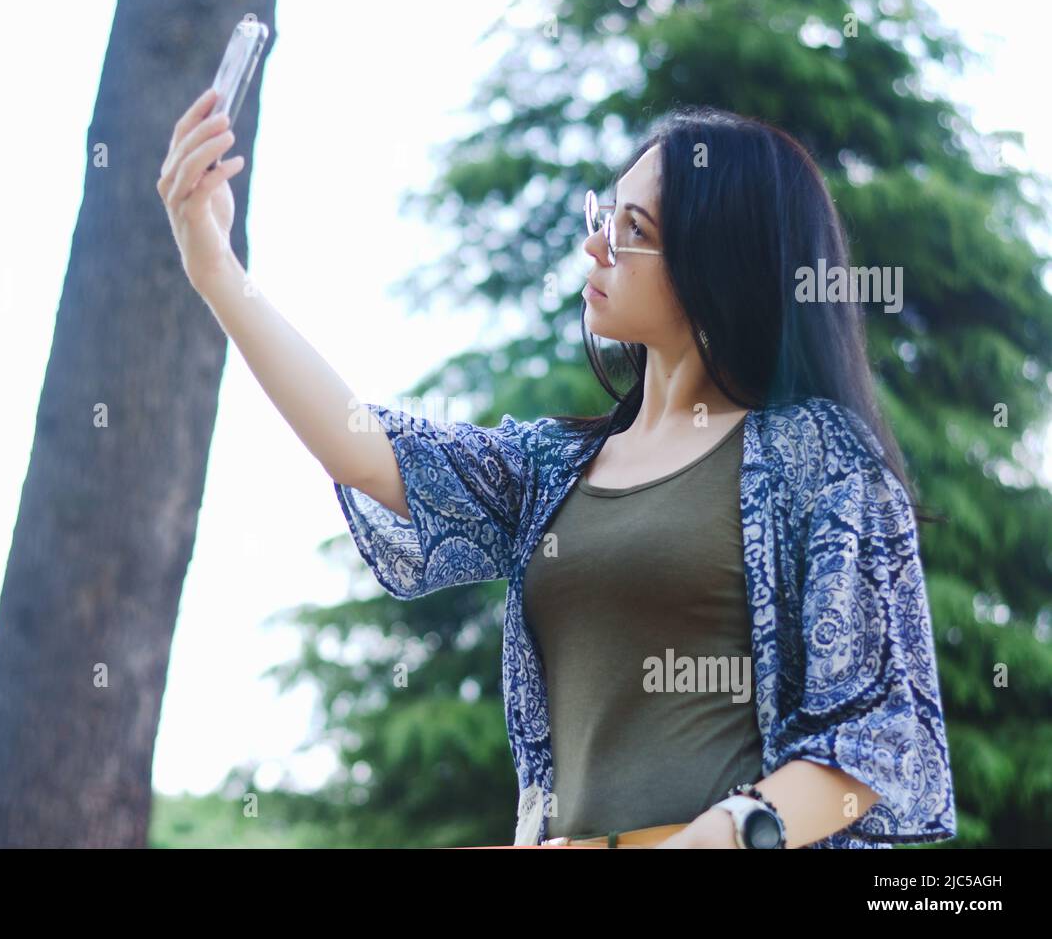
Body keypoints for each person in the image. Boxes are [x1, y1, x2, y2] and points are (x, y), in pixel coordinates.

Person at [156, 89, 956, 849]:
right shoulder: (552, 469)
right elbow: (362, 447)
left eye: (632, 228)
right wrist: (217, 271)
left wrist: (719, 834)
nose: (595, 243)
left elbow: (881, 739)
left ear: (718, 262)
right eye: (604, 215)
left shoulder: (818, 458)